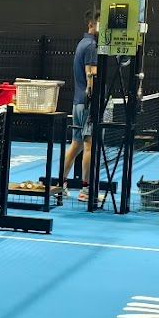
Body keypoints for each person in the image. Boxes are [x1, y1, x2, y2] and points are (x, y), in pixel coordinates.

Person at [57, 13, 99, 202]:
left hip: (78, 102)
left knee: (77, 144)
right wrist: (93, 98)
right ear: (91, 24)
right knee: (89, 145)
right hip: (87, 103)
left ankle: (61, 184)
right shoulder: (91, 46)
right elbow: (91, 75)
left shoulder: (82, 43)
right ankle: (86, 190)